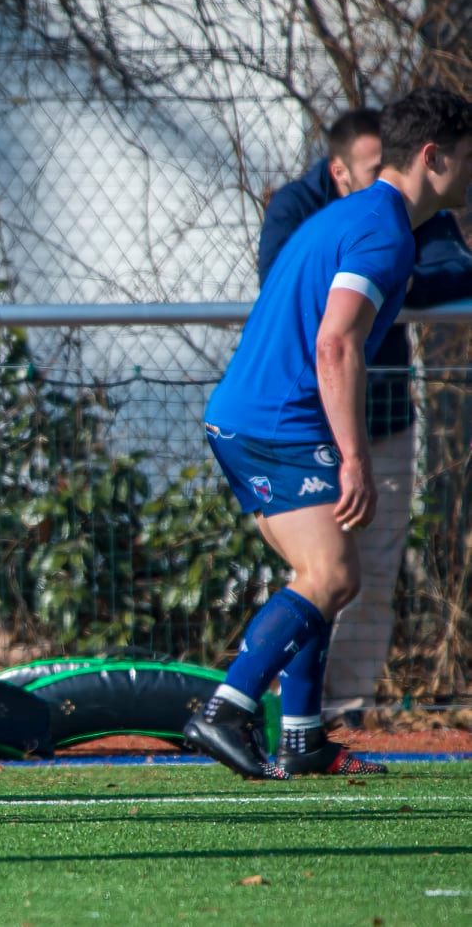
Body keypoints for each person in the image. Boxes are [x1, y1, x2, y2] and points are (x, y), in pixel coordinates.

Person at [188, 86, 472, 779]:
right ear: (432, 159)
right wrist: (353, 458)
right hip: (274, 421)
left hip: (255, 415)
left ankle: (301, 738)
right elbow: (335, 346)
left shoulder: (363, 214)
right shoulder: (380, 230)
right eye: (468, 158)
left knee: (322, 576)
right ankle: (223, 709)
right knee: (332, 572)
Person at [257, 109, 472, 727]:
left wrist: (389, 278)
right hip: (308, 424)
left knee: (367, 577)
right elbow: (303, 300)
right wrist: (374, 277)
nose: (390, 179)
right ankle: (261, 707)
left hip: (383, 417)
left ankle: (341, 712)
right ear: (339, 170)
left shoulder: (413, 212)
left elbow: (454, 270)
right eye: (375, 169)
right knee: (321, 573)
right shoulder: (313, 210)